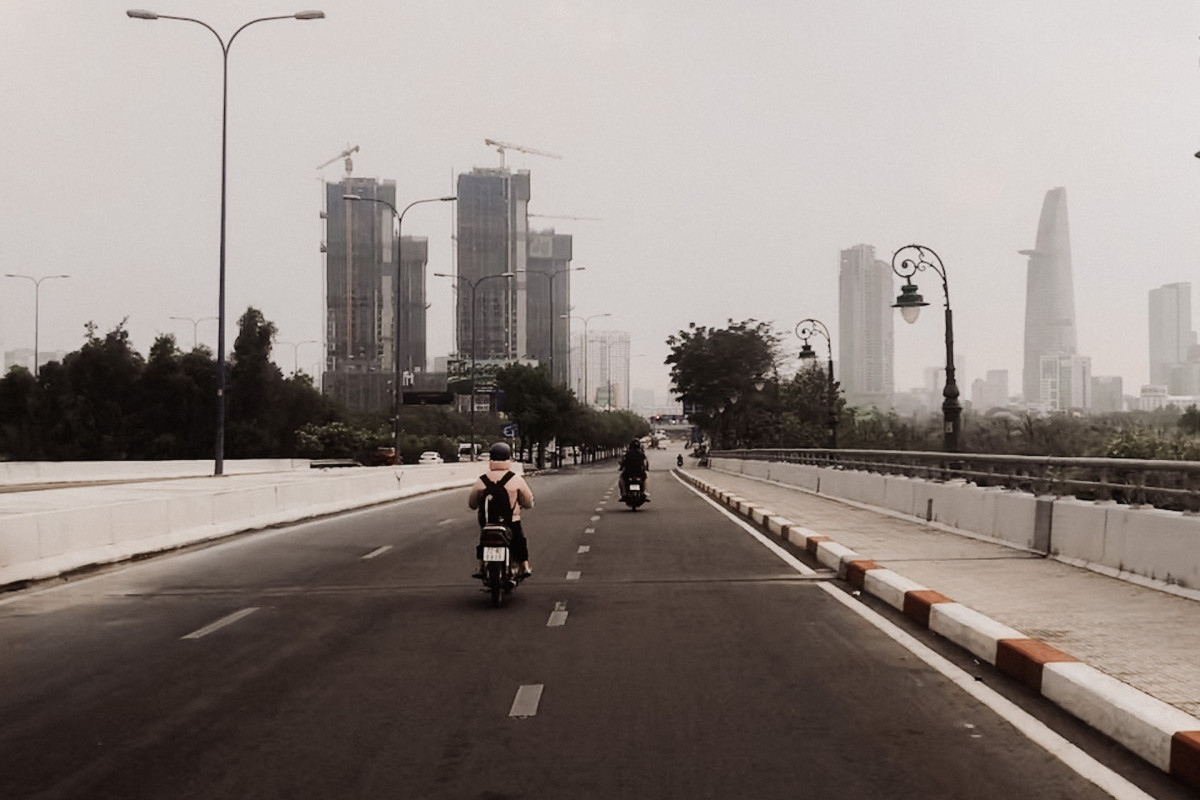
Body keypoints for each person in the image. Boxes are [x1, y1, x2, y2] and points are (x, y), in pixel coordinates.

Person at [468, 442, 535, 579]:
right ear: (508, 458)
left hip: (488, 521)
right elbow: (528, 501)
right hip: (511, 521)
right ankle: (525, 565)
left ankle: (481, 566)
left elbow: (472, 504)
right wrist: (522, 505)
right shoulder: (515, 479)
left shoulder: (482, 480)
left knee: (484, 540)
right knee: (518, 540)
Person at [619, 438, 650, 502]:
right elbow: (645, 463)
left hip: (628, 473)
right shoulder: (642, 454)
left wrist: (621, 467)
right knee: (646, 477)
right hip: (639, 473)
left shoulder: (627, 454)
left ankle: (624, 493)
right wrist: (646, 468)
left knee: (621, 478)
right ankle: (645, 491)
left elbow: (623, 463)